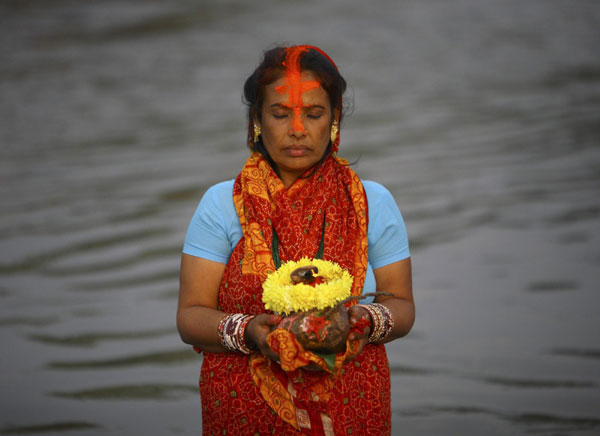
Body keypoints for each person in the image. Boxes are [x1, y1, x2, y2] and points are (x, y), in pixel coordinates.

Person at [177, 44, 414, 436]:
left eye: (315, 114)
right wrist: (250, 331)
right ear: (257, 119)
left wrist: (363, 321)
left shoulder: (372, 203)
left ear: (335, 119)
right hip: (244, 412)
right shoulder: (221, 204)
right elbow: (190, 317)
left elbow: (402, 305)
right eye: (280, 114)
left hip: (355, 410)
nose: (298, 129)